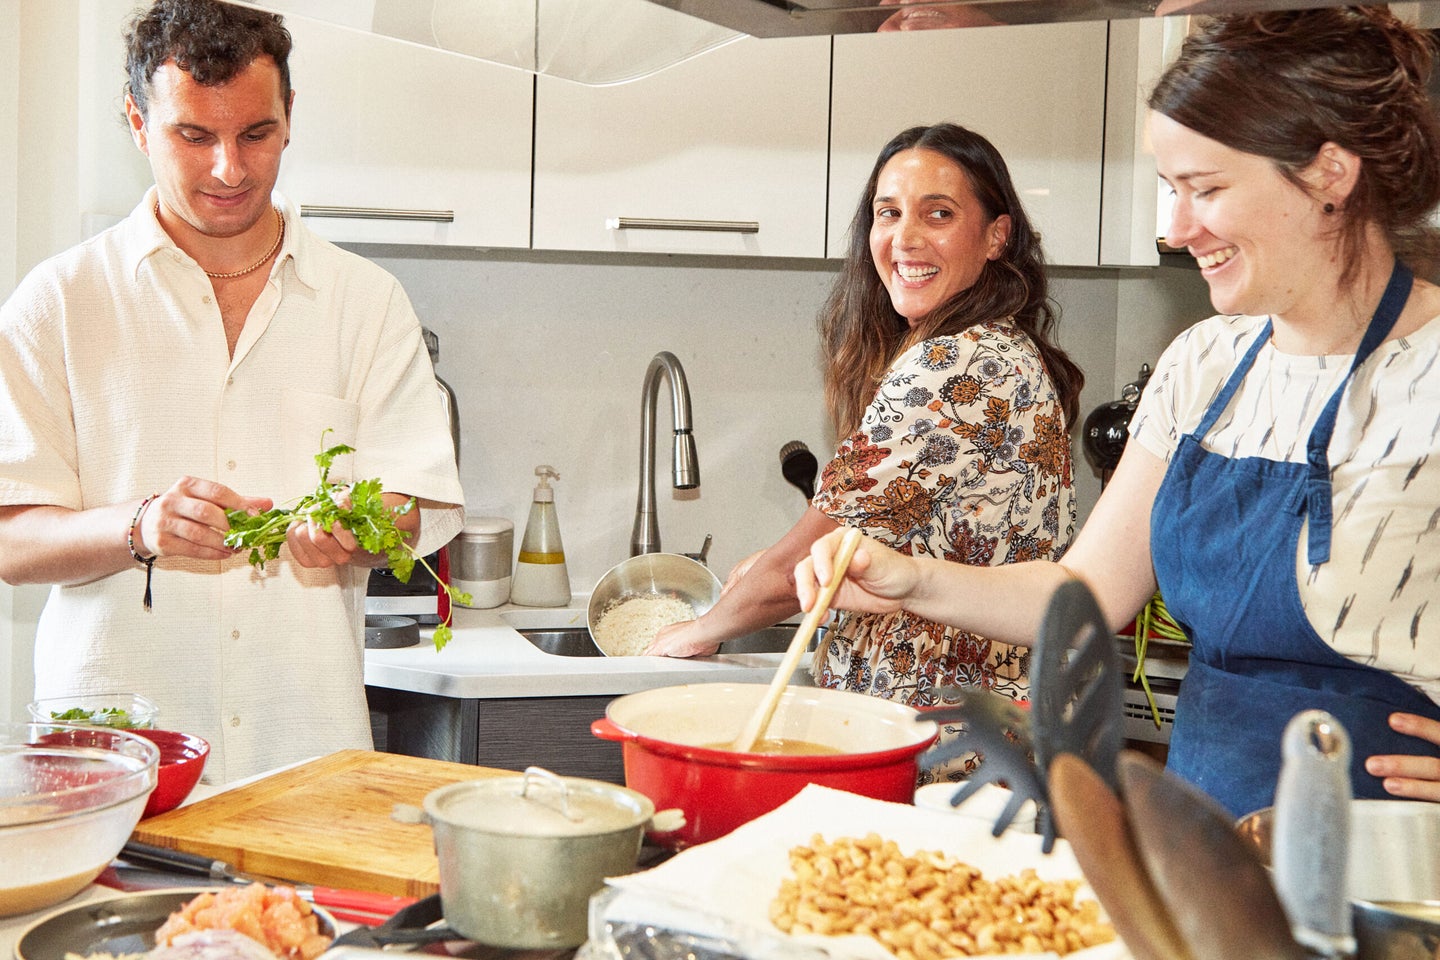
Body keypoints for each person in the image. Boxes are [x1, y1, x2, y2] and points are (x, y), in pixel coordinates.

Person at [799, 7, 1440, 816]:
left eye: (1204, 189)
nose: (1175, 231)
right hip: (1207, 847)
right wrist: (913, 580)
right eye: (1170, 191)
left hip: (1397, 872)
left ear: (1330, 175)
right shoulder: (1203, 365)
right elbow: (1084, 592)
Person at [0, 0, 464, 784]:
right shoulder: (60, 299)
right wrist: (140, 526)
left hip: (306, 743)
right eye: (193, 135)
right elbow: (11, 540)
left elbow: (414, 504)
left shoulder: (366, 300)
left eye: (256, 133)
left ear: (289, 118)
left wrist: (361, 526)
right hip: (117, 763)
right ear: (138, 124)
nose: (230, 169)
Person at [647, 123, 1084, 781]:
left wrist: (700, 630)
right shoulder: (1001, 349)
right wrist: (759, 572)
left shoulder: (948, 365)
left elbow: (818, 549)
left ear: (996, 235)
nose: (904, 238)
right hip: (996, 736)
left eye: (938, 213)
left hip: (938, 745)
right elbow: (898, 539)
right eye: (889, 213)